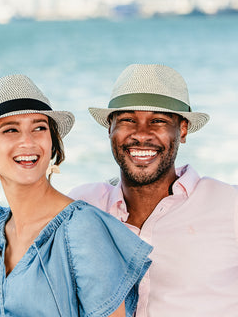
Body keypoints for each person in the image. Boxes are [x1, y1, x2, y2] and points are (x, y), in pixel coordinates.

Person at [0, 74, 152, 316]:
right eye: (11, 130)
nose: (27, 141)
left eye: (39, 128)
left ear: (52, 143)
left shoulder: (84, 230)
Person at [68, 64, 238, 317]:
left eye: (158, 121)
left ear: (182, 130)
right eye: (127, 120)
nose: (141, 134)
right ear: (110, 129)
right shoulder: (82, 205)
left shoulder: (229, 204)